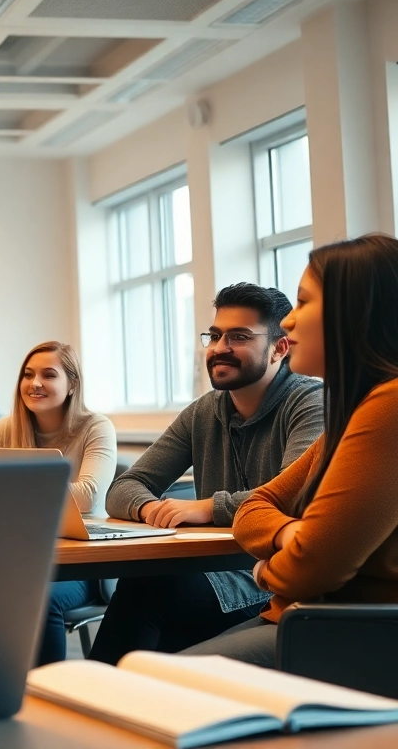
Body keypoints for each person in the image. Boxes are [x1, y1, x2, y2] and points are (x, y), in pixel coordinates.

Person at [183, 234, 398, 667]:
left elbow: (310, 570)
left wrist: (268, 571)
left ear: (358, 312)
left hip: (377, 644)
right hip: (348, 626)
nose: (287, 323)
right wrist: (291, 535)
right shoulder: (375, 405)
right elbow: (258, 504)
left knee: (145, 688)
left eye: (304, 303)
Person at [89, 284, 323, 664]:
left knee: (151, 594)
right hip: (206, 572)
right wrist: (152, 509)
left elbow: (292, 498)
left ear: (280, 348)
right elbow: (124, 487)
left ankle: (96, 701)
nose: (218, 347)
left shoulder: (310, 402)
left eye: (239, 336)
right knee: (151, 596)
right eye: (214, 335)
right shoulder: (203, 411)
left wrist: (207, 508)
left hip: (269, 577)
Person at [0, 341, 116, 665]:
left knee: (38, 599)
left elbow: (87, 496)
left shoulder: (96, 427)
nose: (35, 383)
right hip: (18, 556)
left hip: (84, 565)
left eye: (48, 375)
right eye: (28, 374)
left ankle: (50, 694)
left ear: (72, 385)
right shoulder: (7, 427)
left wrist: (8, 490)